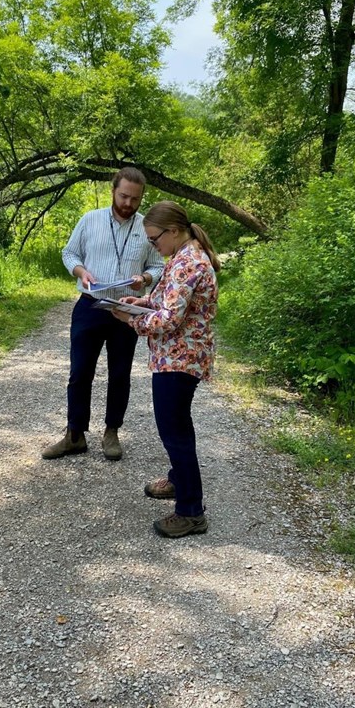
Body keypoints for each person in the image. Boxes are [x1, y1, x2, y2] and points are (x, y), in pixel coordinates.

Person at [110, 200, 220, 538]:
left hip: (181, 359)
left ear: (173, 231)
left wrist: (132, 322)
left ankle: (191, 511)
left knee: (174, 430)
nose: (153, 245)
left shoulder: (189, 263)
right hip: (175, 357)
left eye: (155, 239)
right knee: (177, 426)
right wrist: (139, 302)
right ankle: (178, 480)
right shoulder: (181, 257)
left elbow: (170, 318)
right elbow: (167, 301)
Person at [42, 168, 164, 461]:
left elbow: (159, 265)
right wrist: (81, 271)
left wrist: (145, 279)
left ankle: (112, 432)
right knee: (79, 371)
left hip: (126, 310)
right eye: (123, 196)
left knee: (120, 374)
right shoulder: (90, 219)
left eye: (135, 199)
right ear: (113, 191)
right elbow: (69, 253)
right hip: (90, 304)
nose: (128, 203)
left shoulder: (146, 227)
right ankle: (74, 435)